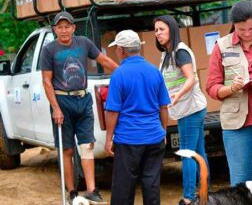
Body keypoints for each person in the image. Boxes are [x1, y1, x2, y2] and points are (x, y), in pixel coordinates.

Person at [40, 11, 118, 203]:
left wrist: (124, 71)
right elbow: (47, 81)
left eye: (67, 26)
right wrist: (56, 109)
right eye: (60, 27)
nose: (64, 30)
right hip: (62, 102)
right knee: (67, 150)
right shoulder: (49, 50)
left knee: (87, 145)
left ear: (73, 28)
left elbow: (103, 60)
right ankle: (73, 192)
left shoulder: (83, 42)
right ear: (54, 29)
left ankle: (92, 190)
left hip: (83, 100)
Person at [206, 0, 252, 186]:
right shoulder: (221, 46)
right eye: (241, 30)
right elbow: (212, 87)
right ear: (234, 25)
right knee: (240, 184)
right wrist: (232, 88)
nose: (247, 34)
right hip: (237, 125)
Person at [104, 30, 170, 205]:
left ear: (121, 50)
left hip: (128, 139)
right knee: (151, 185)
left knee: (123, 188)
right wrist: (162, 132)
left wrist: (109, 138)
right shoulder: (154, 71)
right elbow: (164, 107)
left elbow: (112, 111)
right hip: (154, 137)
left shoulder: (119, 74)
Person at [154, 15, 208, 205]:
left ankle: (189, 197)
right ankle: (203, 194)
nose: (158, 33)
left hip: (189, 109)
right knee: (198, 152)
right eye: (156, 30)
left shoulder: (180, 52)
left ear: (171, 29)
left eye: (161, 29)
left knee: (187, 153)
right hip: (189, 108)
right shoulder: (167, 53)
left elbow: (190, 78)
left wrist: (177, 96)